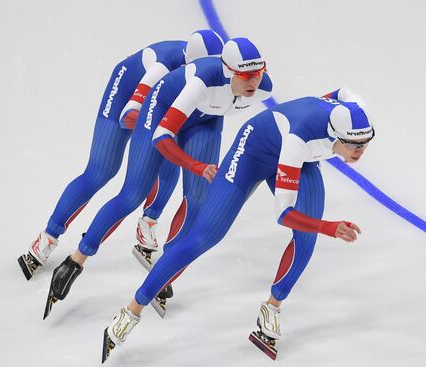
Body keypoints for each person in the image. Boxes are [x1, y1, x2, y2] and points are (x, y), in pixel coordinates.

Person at [100, 88, 375, 362]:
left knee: (306, 239)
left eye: (365, 143)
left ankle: (272, 308)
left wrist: (312, 102)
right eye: (353, 145)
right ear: (335, 135)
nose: (360, 151)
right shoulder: (299, 140)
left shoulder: (353, 110)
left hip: (302, 158)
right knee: (204, 237)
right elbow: (284, 213)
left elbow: (343, 91)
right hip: (254, 153)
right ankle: (132, 310)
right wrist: (329, 226)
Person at [43, 37, 273, 319]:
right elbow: (163, 138)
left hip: (205, 120)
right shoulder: (199, 83)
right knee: (132, 195)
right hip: (162, 111)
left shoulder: (263, 87)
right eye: (247, 76)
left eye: (259, 74)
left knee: (197, 202)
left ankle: (165, 267)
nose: (254, 82)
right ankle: (76, 260)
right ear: (228, 72)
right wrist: (196, 165)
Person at [18, 30, 225, 280]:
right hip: (127, 97)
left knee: (169, 157)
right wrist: (162, 126)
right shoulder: (163, 69)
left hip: (162, 105)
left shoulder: (211, 77)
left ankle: (148, 222)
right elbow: (129, 116)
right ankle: (47, 238)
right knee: (101, 171)